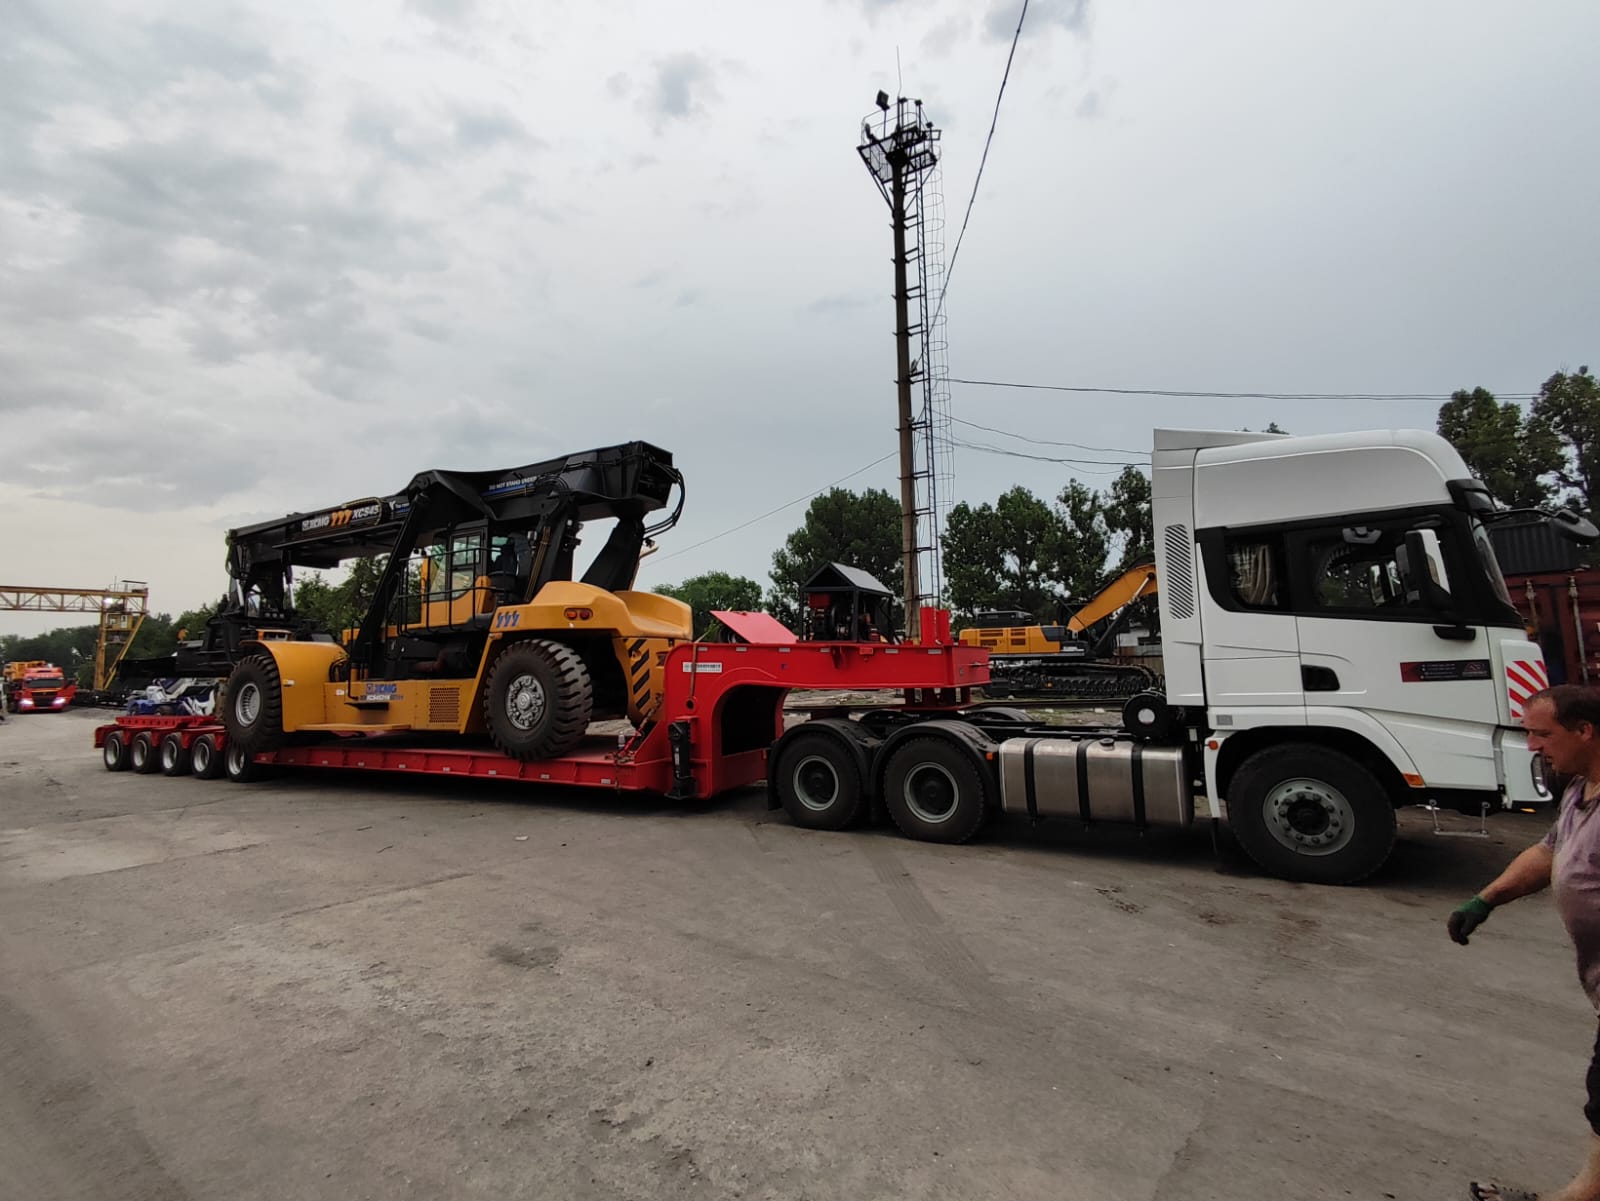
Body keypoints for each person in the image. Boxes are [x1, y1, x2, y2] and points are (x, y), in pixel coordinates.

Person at [1449, 684, 1600, 1201]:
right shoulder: (1581, 790)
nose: (1533, 745)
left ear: (1585, 731)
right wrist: (1485, 901)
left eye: (1542, 734)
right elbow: (1548, 852)